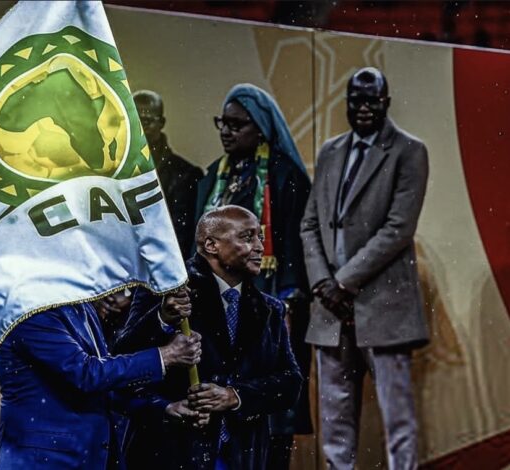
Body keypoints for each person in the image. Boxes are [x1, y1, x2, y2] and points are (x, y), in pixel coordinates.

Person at [300, 67, 429, 470]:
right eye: (356, 100)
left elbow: (398, 229)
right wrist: (322, 283)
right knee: (335, 419)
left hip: (382, 305)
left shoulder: (409, 151)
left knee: (397, 419)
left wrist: (342, 282)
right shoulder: (330, 151)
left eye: (372, 100)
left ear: (386, 102)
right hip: (330, 308)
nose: (363, 108)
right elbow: (310, 224)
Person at [115, 205, 303, 469]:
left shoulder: (270, 310)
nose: (260, 247)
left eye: (260, 237)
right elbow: (123, 363)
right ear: (212, 245)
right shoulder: (165, 291)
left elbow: (290, 383)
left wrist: (235, 396)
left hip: (241, 456)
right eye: (247, 237)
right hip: (170, 452)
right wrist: (162, 319)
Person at [194, 83, 313, 466]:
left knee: (269, 404)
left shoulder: (284, 176)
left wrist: (289, 299)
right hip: (216, 304)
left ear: (260, 128)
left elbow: (294, 245)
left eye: (237, 124)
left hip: (268, 299)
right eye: (222, 123)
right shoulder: (213, 176)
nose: (226, 132)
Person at [0, 302, 204, 469]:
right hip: (44, 461)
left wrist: (164, 407)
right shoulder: (31, 311)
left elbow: (105, 385)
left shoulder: (81, 306)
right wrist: (165, 356)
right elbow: (86, 374)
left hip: (90, 458)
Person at [134, 90, 203, 256]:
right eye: (133, 120)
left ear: (161, 123)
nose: (139, 127)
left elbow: (182, 237)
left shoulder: (186, 174)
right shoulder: (112, 170)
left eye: (146, 121)